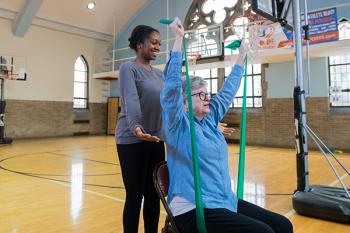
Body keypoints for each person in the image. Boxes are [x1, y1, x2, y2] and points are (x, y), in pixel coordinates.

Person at [160, 17, 293, 233]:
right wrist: (178, 41)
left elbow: (228, 91)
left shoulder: (210, 120)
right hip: (193, 208)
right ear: (184, 103)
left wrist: (241, 57)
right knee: (264, 232)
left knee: (282, 225)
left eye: (208, 93)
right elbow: (171, 89)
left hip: (222, 199)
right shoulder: (178, 125)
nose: (208, 98)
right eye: (200, 94)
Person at [115, 25, 164, 233]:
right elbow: (131, 100)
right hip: (132, 139)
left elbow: (173, 103)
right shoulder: (129, 68)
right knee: (135, 195)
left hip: (155, 139)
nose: (157, 47)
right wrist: (136, 127)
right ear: (139, 44)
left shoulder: (160, 75)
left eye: (159, 43)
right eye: (153, 42)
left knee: (155, 194)